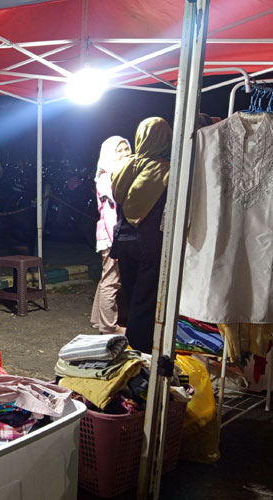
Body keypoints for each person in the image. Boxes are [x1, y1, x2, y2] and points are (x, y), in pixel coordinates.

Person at [110, 117, 172, 353]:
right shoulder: (166, 168)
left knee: (130, 294)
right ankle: (140, 352)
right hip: (149, 241)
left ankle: (129, 347)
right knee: (145, 300)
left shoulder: (125, 165)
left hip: (124, 239)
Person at [90, 136, 132, 334]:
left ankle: (98, 320)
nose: (125, 153)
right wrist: (117, 243)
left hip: (110, 235)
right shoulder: (108, 178)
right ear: (109, 154)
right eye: (120, 150)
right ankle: (109, 327)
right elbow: (109, 214)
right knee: (112, 281)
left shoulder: (113, 176)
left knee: (106, 277)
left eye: (127, 149)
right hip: (111, 237)